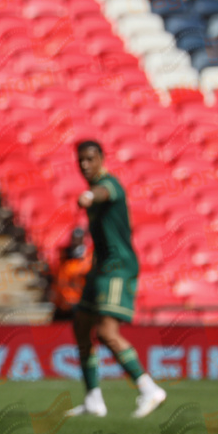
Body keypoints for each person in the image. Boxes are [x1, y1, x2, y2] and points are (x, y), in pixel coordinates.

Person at [67, 140, 166, 418]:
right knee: (81, 327)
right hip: (100, 268)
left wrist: (89, 195)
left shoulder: (110, 184)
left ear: (102, 158)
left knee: (106, 333)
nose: (85, 164)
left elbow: (103, 192)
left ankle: (149, 389)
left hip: (117, 267)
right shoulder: (97, 186)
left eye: (90, 159)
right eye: (81, 160)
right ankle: (93, 399)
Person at [50, 227, 92, 322]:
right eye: (74, 239)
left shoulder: (87, 260)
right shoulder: (64, 258)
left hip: (77, 303)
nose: (76, 242)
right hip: (62, 303)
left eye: (79, 239)